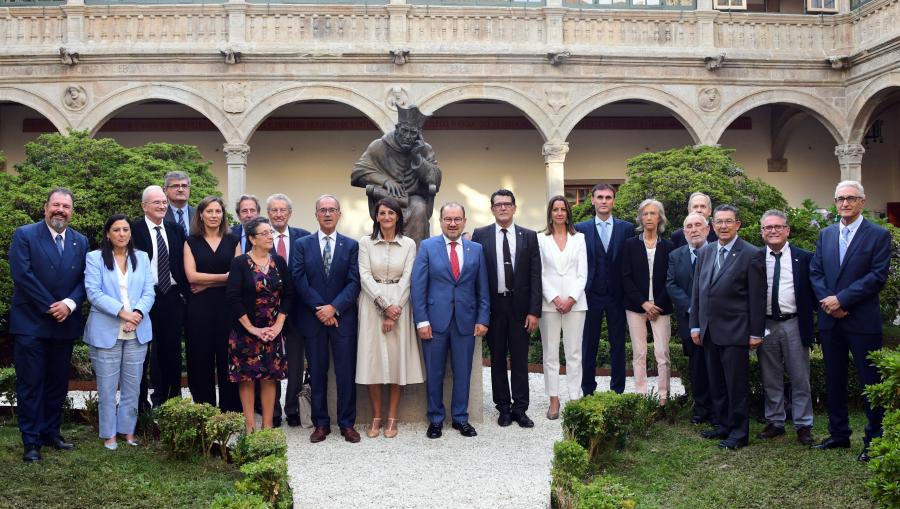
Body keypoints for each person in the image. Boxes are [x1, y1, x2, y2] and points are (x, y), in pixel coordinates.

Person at [810, 180, 891, 462]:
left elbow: (877, 277)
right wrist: (829, 303)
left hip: (861, 320)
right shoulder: (826, 234)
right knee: (834, 379)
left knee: (870, 383)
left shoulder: (878, 235)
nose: (845, 203)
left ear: (862, 202)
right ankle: (839, 434)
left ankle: (873, 440)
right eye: (840, 198)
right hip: (831, 320)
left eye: (851, 198)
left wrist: (842, 300)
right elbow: (816, 272)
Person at [10, 188, 88, 462]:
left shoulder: (81, 241)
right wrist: (51, 305)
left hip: (64, 323)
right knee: (31, 383)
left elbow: (84, 281)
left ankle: (51, 433)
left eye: (66, 206)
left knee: (57, 383)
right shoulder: (25, 235)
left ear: (71, 212)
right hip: (30, 323)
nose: (60, 210)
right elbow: (22, 274)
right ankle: (31, 442)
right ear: (45, 208)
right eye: (56, 205)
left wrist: (69, 304)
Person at [690, 205, 766, 450]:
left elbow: (757, 297)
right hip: (709, 331)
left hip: (736, 331)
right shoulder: (706, 252)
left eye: (728, 222)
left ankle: (739, 432)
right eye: (719, 222)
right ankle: (723, 425)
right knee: (717, 383)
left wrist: (756, 332)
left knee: (736, 385)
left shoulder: (751, 253)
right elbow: (697, 292)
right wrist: (695, 326)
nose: (723, 226)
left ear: (738, 224)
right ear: (712, 225)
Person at [412, 202, 490, 439]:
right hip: (435, 323)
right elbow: (418, 286)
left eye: (457, 219)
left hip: (466, 322)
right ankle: (435, 419)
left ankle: (460, 418)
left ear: (464, 221)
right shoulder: (427, 247)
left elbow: (482, 288)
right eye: (448, 219)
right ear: (441, 221)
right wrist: (422, 320)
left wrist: (483, 318)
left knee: (463, 372)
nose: (453, 224)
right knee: (434, 373)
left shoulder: (475, 249)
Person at [292, 195, 361, 443]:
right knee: (317, 372)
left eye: (332, 209)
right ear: (316, 214)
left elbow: (355, 282)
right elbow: (299, 280)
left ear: (339, 214)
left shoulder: (351, 245)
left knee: (345, 373)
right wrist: (321, 309)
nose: (328, 214)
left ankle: (347, 423)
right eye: (323, 210)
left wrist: (334, 308)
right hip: (313, 319)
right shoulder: (302, 244)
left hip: (343, 319)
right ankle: (320, 424)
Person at [83, 214, 155, 450]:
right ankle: (109, 434)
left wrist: (137, 315)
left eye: (125, 230)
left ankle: (128, 431)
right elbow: (93, 293)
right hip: (106, 330)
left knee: (133, 387)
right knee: (107, 387)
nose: (122, 234)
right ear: (108, 234)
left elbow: (149, 292)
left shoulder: (142, 258)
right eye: (116, 230)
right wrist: (123, 313)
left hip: (137, 329)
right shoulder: (94, 258)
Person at [472, 190, 541, 428]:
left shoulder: (529, 236)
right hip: (494, 306)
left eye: (507, 204)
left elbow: (535, 276)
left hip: (520, 308)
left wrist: (534, 311)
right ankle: (503, 407)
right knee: (497, 358)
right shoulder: (480, 236)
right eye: (498, 204)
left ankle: (520, 409)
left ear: (514, 208)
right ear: (492, 209)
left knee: (520, 359)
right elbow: (475, 275)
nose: (503, 208)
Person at [356, 198, 424, 439]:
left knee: (396, 363)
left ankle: (392, 417)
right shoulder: (365, 242)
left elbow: (408, 277)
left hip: (400, 305)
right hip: (372, 305)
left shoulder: (408, 244)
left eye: (390, 213)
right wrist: (384, 306)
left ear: (398, 217)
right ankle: (376, 416)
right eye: (382, 213)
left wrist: (395, 309)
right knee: (373, 362)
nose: (386, 217)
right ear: (376, 217)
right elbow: (364, 275)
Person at [226, 217, 293, 433]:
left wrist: (278, 325)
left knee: (269, 377)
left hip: (273, 331)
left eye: (270, 232)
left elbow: (289, 294)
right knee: (246, 378)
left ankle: (267, 425)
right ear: (253, 239)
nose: (269, 236)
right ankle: (250, 426)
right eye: (264, 233)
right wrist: (252, 328)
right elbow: (233, 297)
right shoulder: (239, 263)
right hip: (246, 331)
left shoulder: (279, 262)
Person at [756, 209, 816, 446]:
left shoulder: (805, 258)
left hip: (794, 323)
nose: (773, 231)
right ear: (762, 232)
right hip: (766, 324)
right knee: (770, 376)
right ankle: (776, 422)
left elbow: (813, 291)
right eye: (768, 227)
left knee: (800, 377)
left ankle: (803, 424)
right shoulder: (755, 258)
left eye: (778, 226)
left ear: (787, 230)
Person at [575, 183, 635, 395]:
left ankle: (617, 390)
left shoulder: (626, 228)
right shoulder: (581, 228)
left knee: (618, 344)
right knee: (588, 344)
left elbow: (629, 264)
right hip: (590, 294)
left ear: (613, 201)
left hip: (617, 296)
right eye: (599, 197)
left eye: (608, 197)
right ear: (592, 200)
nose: (603, 201)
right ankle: (588, 389)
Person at [351, 105, 442, 242]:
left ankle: (417, 260)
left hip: (414, 198)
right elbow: (357, 173)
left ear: (418, 134)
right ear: (397, 128)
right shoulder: (379, 146)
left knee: (419, 209)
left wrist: (417, 157)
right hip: (387, 197)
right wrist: (385, 181)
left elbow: (435, 180)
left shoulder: (424, 149)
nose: (408, 136)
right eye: (404, 131)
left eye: (413, 133)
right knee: (388, 210)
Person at [132, 185, 188, 410]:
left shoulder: (175, 229)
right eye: (157, 202)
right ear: (144, 206)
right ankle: (140, 403)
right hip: (143, 296)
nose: (162, 206)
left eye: (164, 202)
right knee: (141, 351)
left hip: (171, 296)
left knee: (171, 350)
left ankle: (170, 400)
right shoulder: (134, 230)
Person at [184, 196, 241, 412]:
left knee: (228, 358)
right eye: (209, 211)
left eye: (218, 211)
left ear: (223, 215)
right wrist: (223, 278)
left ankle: (230, 411)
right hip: (199, 310)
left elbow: (237, 276)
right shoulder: (190, 242)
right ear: (200, 215)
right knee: (200, 359)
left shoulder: (233, 241)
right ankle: (204, 409)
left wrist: (207, 283)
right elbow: (191, 277)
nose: (214, 216)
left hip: (228, 308)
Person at [537, 196, 587, 419]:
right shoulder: (540, 240)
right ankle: (554, 399)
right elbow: (539, 273)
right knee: (550, 354)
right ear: (550, 213)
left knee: (574, 353)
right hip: (549, 305)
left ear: (568, 213)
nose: (559, 213)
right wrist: (555, 298)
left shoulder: (579, 239)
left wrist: (571, 299)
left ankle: (575, 398)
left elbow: (582, 273)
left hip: (575, 305)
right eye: (555, 209)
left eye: (563, 209)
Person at [622, 199, 674, 404]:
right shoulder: (629, 245)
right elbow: (625, 277)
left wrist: (656, 304)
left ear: (659, 217)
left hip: (661, 306)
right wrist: (644, 303)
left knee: (662, 354)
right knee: (639, 353)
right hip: (636, 306)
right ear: (640, 218)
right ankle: (641, 397)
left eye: (653, 213)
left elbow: (672, 278)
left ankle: (663, 397)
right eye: (645, 214)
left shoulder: (669, 246)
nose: (649, 217)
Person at [266, 193, 311, 428]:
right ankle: (272, 411)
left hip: (298, 310)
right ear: (268, 213)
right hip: (269, 311)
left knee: (295, 360)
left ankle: (292, 407)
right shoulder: (261, 237)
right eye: (274, 210)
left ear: (290, 213)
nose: (279, 214)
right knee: (271, 361)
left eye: (283, 210)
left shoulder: (303, 236)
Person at [666, 213, 714, 425]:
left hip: (715, 321)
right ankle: (702, 410)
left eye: (698, 225)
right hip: (689, 320)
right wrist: (692, 307)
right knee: (697, 368)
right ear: (684, 232)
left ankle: (719, 410)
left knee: (716, 367)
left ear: (707, 229)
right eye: (689, 227)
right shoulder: (676, 255)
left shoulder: (716, 252)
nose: (694, 230)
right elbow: (671, 284)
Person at [164, 171, 196, 237]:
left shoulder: (200, 214)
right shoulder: (159, 216)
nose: (180, 190)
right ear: (165, 190)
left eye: (184, 186)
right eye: (175, 186)